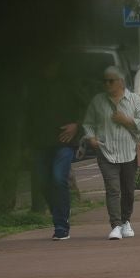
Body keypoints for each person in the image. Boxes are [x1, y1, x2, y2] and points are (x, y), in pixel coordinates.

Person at [81, 66, 140, 241]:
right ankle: (116, 225)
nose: (107, 84)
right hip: (106, 151)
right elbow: (87, 123)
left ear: (121, 82)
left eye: (111, 81)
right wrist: (91, 138)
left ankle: (126, 220)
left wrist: (126, 120)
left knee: (128, 191)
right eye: (104, 81)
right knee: (113, 189)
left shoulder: (134, 100)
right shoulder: (98, 101)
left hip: (129, 152)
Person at [27, 54, 86, 240]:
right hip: (39, 143)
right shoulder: (33, 86)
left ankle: (61, 225)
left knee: (58, 178)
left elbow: (87, 108)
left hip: (63, 142)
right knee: (43, 182)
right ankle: (58, 213)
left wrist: (77, 125)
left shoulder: (70, 84)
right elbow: (26, 115)